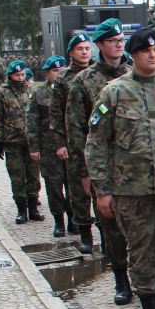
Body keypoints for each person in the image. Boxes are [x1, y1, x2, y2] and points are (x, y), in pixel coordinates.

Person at [87, 26, 155, 309]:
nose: (154, 56)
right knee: (142, 250)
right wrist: (102, 189)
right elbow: (97, 143)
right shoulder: (115, 92)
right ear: (133, 55)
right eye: (147, 51)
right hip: (132, 189)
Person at [68, 18, 132, 303]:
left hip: (137, 166)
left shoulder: (134, 73)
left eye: (121, 41)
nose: (118, 45)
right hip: (105, 167)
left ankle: (147, 283)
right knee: (112, 227)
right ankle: (121, 279)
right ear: (100, 45)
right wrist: (85, 173)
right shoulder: (83, 81)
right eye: (112, 41)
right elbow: (76, 130)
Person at [49, 33, 95, 240]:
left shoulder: (98, 73)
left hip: (98, 138)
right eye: (80, 49)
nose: (84, 52)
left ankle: (105, 235)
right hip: (75, 140)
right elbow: (56, 113)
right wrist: (60, 143)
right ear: (71, 53)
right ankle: (84, 232)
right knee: (78, 189)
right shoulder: (63, 79)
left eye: (87, 48)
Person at [0, 60, 45, 224]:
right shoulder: (1, 93)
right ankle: (21, 209)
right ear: (10, 75)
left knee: (33, 174)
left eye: (22, 75)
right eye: (17, 75)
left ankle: (33, 207)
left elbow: (39, 116)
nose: (20, 78)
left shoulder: (32, 91)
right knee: (17, 175)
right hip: (11, 140)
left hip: (31, 141)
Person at [26, 57, 70, 237]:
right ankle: (59, 221)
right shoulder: (39, 92)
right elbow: (32, 121)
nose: (59, 74)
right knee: (54, 186)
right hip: (48, 147)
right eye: (55, 71)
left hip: (70, 145)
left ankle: (75, 219)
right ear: (47, 72)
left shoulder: (72, 88)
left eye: (62, 70)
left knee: (73, 186)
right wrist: (33, 147)